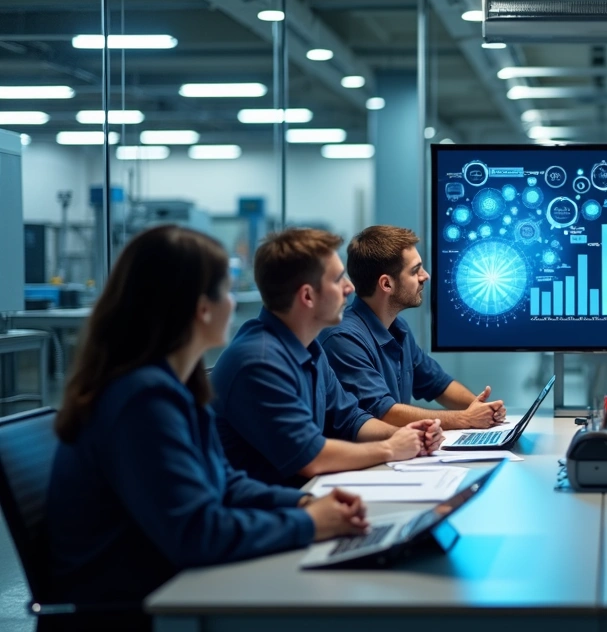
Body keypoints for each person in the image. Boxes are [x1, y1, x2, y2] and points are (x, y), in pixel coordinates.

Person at [46, 226, 369, 623]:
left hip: (168, 586)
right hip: (138, 610)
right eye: (228, 291)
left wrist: (303, 502)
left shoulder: (168, 384)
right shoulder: (142, 399)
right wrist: (308, 523)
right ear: (202, 307)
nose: (233, 305)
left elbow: (224, 480)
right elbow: (199, 534)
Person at [211, 228, 443, 487]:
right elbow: (311, 456)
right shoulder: (259, 362)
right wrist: (391, 448)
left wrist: (410, 435)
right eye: (337, 279)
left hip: (297, 500)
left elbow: (352, 419)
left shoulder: (310, 349)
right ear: (308, 296)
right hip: (263, 514)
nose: (350, 287)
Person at [320, 225, 506, 430]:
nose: (425, 276)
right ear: (386, 284)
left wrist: (481, 408)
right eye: (415, 270)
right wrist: (465, 419)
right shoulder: (343, 339)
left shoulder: (398, 328)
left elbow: (439, 384)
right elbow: (384, 413)